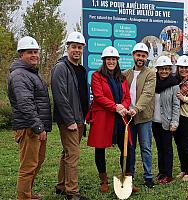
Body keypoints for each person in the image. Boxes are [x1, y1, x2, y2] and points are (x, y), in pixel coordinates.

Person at [8, 36, 52, 200]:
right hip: (29, 128)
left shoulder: (30, 73)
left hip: (35, 126)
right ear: (21, 55)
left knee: (36, 163)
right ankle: (23, 197)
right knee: (28, 167)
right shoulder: (20, 75)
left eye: (36, 52)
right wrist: (38, 127)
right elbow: (25, 103)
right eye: (29, 52)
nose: (34, 55)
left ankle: (27, 193)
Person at [85, 46, 133, 192]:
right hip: (103, 117)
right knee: (100, 149)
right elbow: (98, 97)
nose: (111, 61)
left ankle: (127, 179)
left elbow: (127, 97)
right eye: (108, 59)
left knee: (127, 148)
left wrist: (123, 107)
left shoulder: (122, 78)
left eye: (113, 59)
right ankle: (103, 181)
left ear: (117, 61)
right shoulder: (96, 76)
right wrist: (115, 107)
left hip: (120, 116)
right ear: (104, 60)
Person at [51, 32, 89, 200]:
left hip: (79, 119)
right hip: (69, 120)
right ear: (67, 48)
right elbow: (60, 96)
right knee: (73, 155)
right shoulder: (61, 67)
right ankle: (72, 193)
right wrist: (69, 120)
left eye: (79, 47)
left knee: (67, 153)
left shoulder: (81, 69)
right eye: (73, 47)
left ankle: (61, 186)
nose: (77, 50)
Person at [123, 42, 156, 189]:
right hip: (128, 118)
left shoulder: (150, 74)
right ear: (133, 56)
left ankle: (148, 176)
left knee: (146, 148)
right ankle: (130, 174)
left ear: (147, 57)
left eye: (143, 55)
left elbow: (148, 94)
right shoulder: (125, 74)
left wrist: (136, 108)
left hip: (143, 117)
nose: (140, 58)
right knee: (130, 147)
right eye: (138, 55)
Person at [152, 56, 180, 184]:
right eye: (162, 69)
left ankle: (168, 174)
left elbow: (176, 105)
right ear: (157, 70)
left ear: (170, 70)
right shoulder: (153, 82)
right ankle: (161, 172)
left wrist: (175, 122)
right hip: (154, 121)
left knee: (167, 148)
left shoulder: (174, 84)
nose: (164, 71)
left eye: (167, 69)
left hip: (167, 122)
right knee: (159, 148)